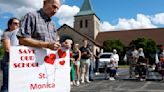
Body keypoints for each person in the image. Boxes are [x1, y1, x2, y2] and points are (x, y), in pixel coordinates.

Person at [1, 17, 20, 92]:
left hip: (17, 62)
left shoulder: (20, 35)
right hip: (8, 62)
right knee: (7, 85)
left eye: (19, 24)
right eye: (15, 23)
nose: (17, 25)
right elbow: (7, 48)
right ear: (9, 25)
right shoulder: (6, 33)